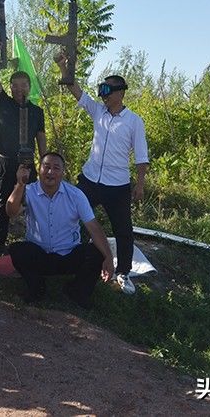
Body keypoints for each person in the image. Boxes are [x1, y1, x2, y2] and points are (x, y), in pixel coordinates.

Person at [56, 53, 149, 295]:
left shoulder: (134, 121)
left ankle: (123, 273)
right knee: (72, 216)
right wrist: (63, 66)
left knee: (123, 230)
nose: (104, 95)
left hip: (117, 185)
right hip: (90, 178)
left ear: (121, 92)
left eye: (108, 90)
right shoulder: (98, 112)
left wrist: (139, 184)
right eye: (102, 89)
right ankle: (67, 256)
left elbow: (141, 156)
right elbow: (76, 91)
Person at [6, 152, 114, 308]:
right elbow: (11, 212)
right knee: (18, 250)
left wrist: (109, 257)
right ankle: (37, 288)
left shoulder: (76, 195)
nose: (50, 172)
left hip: (68, 254)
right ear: (39, 168)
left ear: (63, 172)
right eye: (46, 167)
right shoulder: (28, 191)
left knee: (96, 253)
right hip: (39, 254)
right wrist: (20, 184)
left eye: (56, 168)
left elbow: (94, 228)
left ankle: (76, 291)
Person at [0, 42, 47, 256]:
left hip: (27, 162)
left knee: (32, 201)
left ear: (29, 88)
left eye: (24, 85)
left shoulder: (37, 111)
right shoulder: (3, 102)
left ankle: (34, 241)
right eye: (16, 85)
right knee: (3, 201)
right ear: (10, 87)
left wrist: (44, 163)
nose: (19, 89)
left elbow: (41, 138)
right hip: (5, 160)